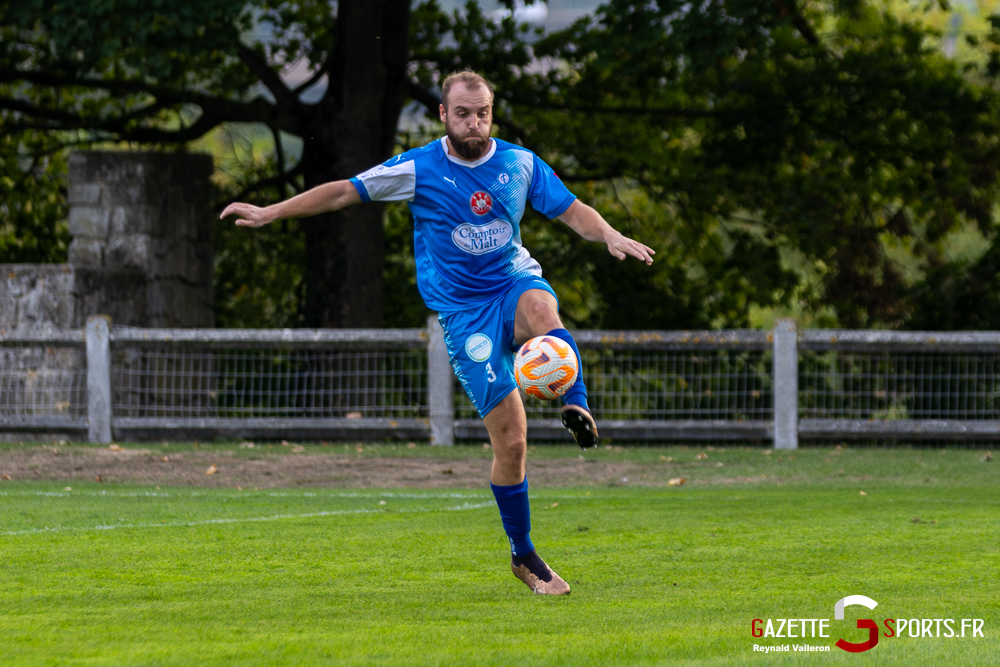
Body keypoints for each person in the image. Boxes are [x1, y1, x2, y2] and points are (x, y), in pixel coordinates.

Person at [221, 71, 655, 595]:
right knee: (512, 441)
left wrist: (608, 234)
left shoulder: (519, 163)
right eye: (463, 114)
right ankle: (523, 555)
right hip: (464, 315)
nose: (474, 123)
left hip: (512, 284)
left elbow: (571, 210)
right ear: (444, 115)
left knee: (543, 306)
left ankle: (576, 405)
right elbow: (342, 192)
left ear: (491, 113)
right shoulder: (417, 168)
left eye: (483, 113)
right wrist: (271, 211)